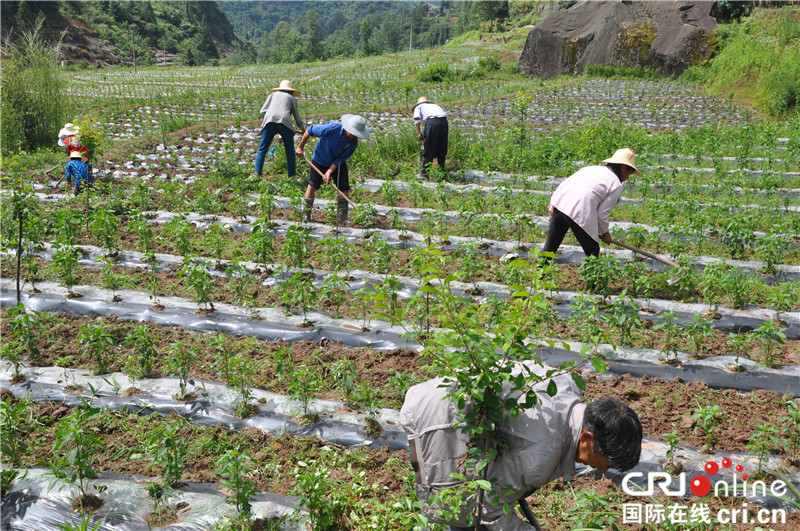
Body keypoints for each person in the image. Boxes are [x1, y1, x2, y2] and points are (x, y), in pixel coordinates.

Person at [400, 361, 642, 530]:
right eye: (605, 462)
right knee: (461, 508)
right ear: (587, 438)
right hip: (437, 418)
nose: (601, 470)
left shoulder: (565, 383)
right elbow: (490, 507)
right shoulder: (540, 454)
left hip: (449, 402)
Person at [541, 148, 640, 258]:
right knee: (592, 252)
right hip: (579, 212)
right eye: (629, 174)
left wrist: (553, 206)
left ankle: (540, 273)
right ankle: (592, 275)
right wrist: (605, 233)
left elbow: (564, 185)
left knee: (549, 249)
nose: (626, 178)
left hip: (560, 207)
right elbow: (602, 213)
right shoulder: (616, 184)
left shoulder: (591, 169)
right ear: (623, 168)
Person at [295, 114, 370, 223]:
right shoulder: (332, 128)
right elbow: (309, 130)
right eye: (353, 132)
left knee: (344, 189)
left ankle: (342, 218)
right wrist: (300, 147)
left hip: (338, 163)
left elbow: (341, 158)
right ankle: (306, 215)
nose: (354, 136)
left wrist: (330, 171)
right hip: (320, 159)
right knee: (312, 186)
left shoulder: (353, 142)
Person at [254, 80, 305, 179]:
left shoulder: (272, 95)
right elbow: (297, 117)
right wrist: (303, 130)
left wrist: (269, 118)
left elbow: (262, 111)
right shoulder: (291, 98)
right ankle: (291, 176)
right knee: (289, 150)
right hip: (284, 122)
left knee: (262, 149)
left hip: (269, 121)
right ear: (291, 91)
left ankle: (257, 174)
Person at [412, 96, 449, 177]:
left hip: (432, 122)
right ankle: (441, 171)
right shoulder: (435, 106)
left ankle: (424, 173)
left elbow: (416, 119)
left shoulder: (419, 107)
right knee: (442, 145)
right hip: (444, 122)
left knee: (429, 146)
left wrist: (419, 133)